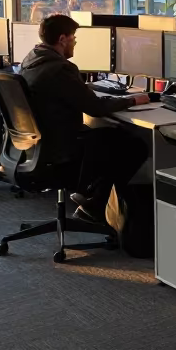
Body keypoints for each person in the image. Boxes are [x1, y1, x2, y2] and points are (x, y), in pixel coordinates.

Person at [20, 13, 149, 222]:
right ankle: (96, 204)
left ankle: (91, 195)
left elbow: (64, 94)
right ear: (62, 40)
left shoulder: (31, 60)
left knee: (111, 137)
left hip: (36, 145)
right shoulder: (60, 68)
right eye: (73, 38)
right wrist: (133, 100)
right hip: (60, 149)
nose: (75, 42)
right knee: (134, 145)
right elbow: (95, 108)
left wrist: (82, 88)